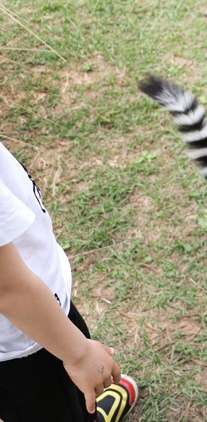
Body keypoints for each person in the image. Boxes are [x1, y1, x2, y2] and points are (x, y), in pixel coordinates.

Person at [0, 140, 138, 422]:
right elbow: (8, 288)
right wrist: (78, 355)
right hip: (29, 339)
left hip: (28, 327)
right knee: (57, 408)